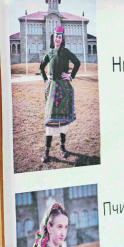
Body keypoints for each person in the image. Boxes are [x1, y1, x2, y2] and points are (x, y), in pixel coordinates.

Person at [39, 26, 81, 163]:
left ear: (62, 39)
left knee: (63, 121)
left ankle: (63, 148)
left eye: (60, 37)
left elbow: (77, 62)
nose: (58, 39)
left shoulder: (66, 52)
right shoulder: (50, 53)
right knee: (50, 120)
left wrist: (70, 76)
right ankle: (46, 151)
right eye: (56, 36)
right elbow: (41, 66)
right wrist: (46, 78)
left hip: (64, 90)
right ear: (53, 38)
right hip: (52, 89)